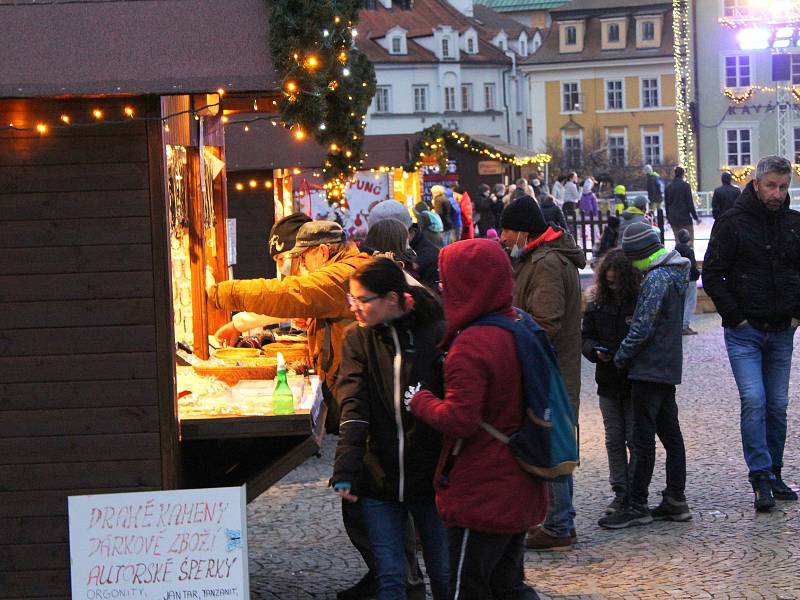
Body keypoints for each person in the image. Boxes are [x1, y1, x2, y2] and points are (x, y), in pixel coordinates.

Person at [208, 221, 422, 599]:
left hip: (373, 407)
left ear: (320, 252)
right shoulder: (349, 270)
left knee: (371, 498)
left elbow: (293, 293)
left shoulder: (345, 273)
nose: (299, 267)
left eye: (301, 258)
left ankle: (399, 582)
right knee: (369, 497)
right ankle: (390, 577)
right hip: (368, 401)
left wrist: (222, 292)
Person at [409, 239, 548, 600]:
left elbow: (462, 419)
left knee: (467, 589)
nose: (442, 289)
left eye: (446, 281)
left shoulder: (472, 344)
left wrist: (420, 400)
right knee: (507, 586)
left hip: (484, 489)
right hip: (521, 477)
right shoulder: (520, 326)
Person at [332, 258, 449, 600]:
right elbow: (353, 403)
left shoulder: (436, 334)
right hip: (378, 477)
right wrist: (346, 468)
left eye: (363, 299)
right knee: (391, 577)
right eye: (351, 299)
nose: (354, 307)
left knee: (443, 572)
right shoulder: (357, 339)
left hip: (431, 476)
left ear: (393, 299)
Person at [702, 155, 800, 512]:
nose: (777, 193)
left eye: (783, 187)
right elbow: (713, 274)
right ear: (757, 184)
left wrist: (795, 316)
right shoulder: (733, 223)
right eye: (771, 185)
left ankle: (774, 473)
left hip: (781, 329)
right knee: (754, 400)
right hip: (745, 330)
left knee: (777, 405)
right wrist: (736, 316)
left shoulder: (793, 224)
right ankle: (760, 477)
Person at [499, 196, 585, 550]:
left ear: (522, 230)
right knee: (550, 441)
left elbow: (545, 322)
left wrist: (507, 330)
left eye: (506, 230)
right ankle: (556, 520)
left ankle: (559, 524)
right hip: (549, 368)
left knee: (553, 443)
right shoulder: (538, 257)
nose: (502, 238)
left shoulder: (547, 262)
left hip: (551, 371)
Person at [598, 222, 691, 529]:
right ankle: (676, 499)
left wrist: (621, 357)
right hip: (668, 368)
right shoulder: (677, 274)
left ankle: (637, 504)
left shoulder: (656, 279)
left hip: (647, 369)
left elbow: (641, 327)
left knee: (642, 439)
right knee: (671, 436)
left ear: (640, 255)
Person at [582, 249, 641, 515]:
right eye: (609, 280)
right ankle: (620, 489)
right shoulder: (595, 304)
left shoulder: (638, 302)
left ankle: (635, 491)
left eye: (616, 280)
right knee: (613, 438)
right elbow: (587, 337)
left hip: (633, 380)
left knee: (634, 438)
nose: (612, 284)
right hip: (607, 380)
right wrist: (594, 351)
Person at [213, 212, 311, 347]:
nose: (281, 268)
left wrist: (219, 295)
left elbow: (278, 300)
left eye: (282, 259)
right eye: (277, 261)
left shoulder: (318, 277)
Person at [664, 166, 700, 246]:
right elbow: (689, 203)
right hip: (685, 217)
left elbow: (667, 204)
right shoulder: (686, 186)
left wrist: (668, 217)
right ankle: (689, 256)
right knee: (689, 240)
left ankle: (679, 256)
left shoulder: (668, 187)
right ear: (683, 174)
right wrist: (695, 217)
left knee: (677, 240)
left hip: (673, 217)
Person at [674, 229, 700, 335]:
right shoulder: (689, 250)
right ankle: (685, 325)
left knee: (683, 303)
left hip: (680, 279)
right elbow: (692, 266)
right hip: (691, 279)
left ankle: (681, 325)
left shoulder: (676, 250)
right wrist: (698, 274)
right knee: (690, 302)